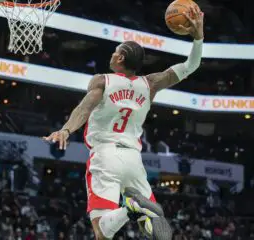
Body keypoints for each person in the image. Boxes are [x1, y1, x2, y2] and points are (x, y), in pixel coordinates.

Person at [44, 7, 204, 240]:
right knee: (149, 228)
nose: (111, 54)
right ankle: (141, 212)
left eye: (115, 52)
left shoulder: (103, 81)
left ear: (120, 58)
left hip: (105, 157)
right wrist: (198, 37)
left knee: (101, 232)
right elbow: (191, 66)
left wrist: (66, 129)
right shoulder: (150, 84)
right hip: (133, 160)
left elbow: (84, 108)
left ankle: (131, 208)